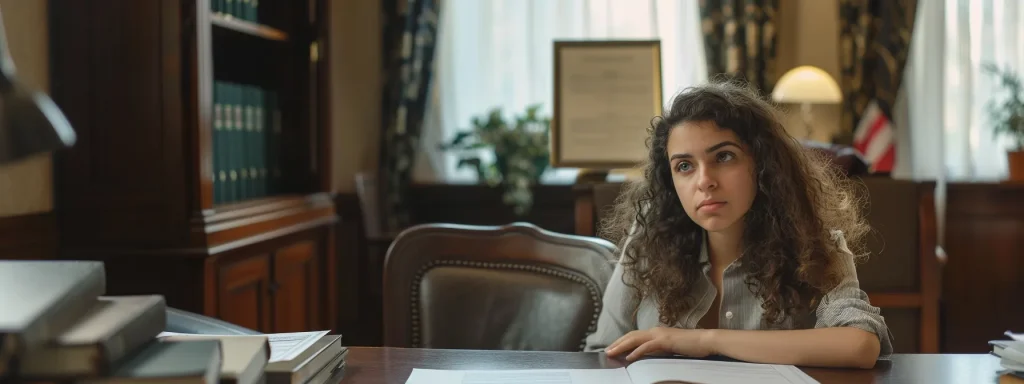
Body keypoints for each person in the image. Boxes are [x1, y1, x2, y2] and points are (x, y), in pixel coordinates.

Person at [583, 80, 892, 369]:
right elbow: (601, 353)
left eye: (724, 157)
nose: (704, 181)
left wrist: (703, 340)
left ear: (762, 164)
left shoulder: (816, 243)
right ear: (671, 180)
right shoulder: (649, 238)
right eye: (685, 166)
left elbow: (860, 345)